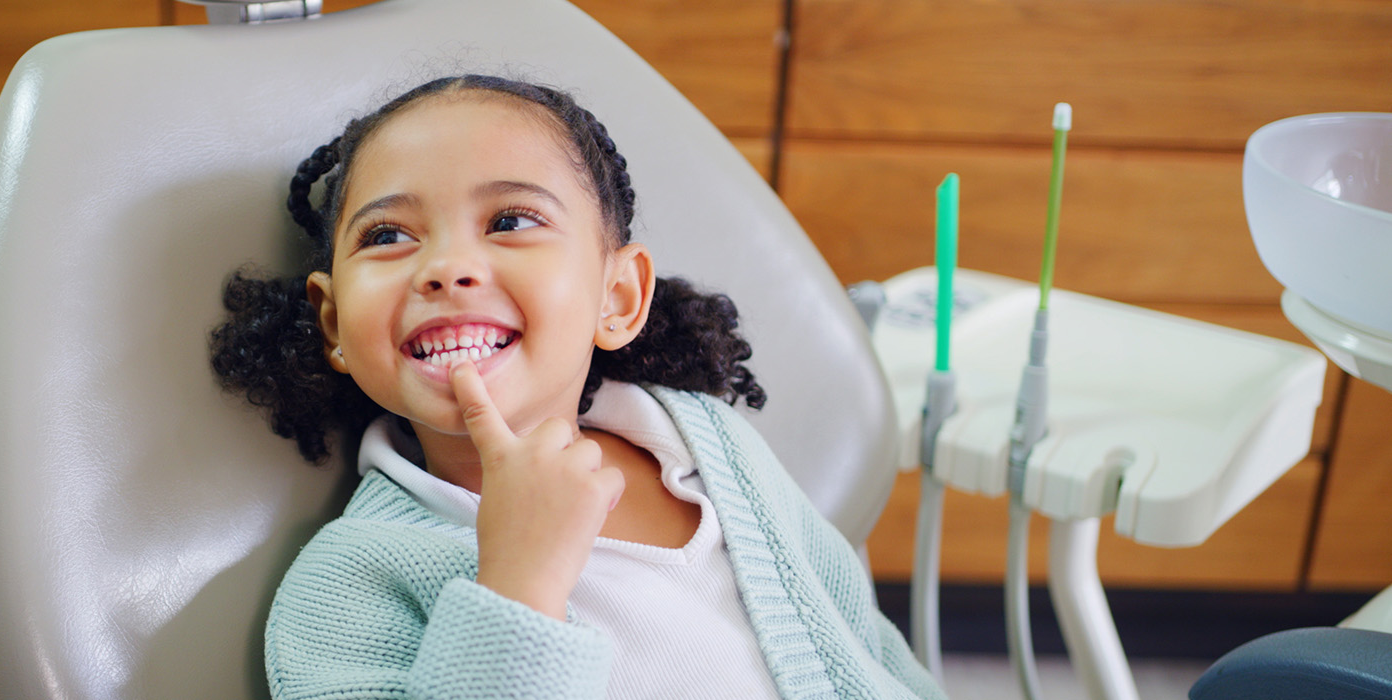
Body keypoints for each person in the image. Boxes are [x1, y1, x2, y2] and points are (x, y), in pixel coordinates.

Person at [210, 74, 944, 700]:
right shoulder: (344, 589)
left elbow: (861, 645)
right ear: (334, 321)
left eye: (510, 221)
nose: (445, 267)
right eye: (388, 236)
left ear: (617, 298)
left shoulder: (708, 446)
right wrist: (519, 583)